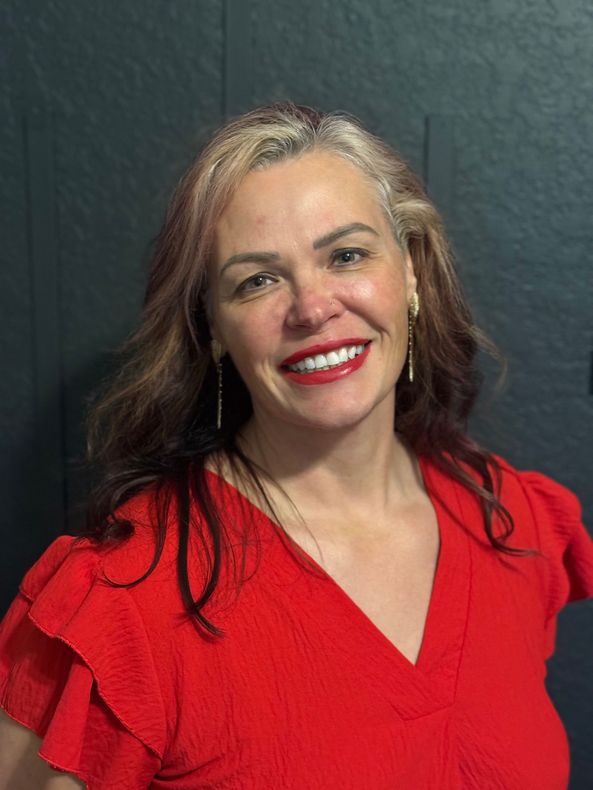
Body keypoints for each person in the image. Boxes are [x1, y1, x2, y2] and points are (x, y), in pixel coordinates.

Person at [0, 102, 592, 790]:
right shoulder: (125, 602)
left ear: (411, 274)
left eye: (346, 254)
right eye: (257, 280)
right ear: (214, 330)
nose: (311, 307)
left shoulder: (509, 521)